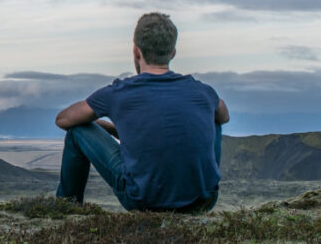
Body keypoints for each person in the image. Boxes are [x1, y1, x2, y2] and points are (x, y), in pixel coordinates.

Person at [54, 12, 229, 213]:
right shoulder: (202, 91)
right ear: (172, 52)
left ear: (136, 51)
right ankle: (199, 188)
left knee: (77, 131)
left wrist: (97, 124)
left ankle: (66, 209)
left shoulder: (119, 92)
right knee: (214, 118)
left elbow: (63, 119)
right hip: (203, 200)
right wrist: (116, 130)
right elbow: (224, 116)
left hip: (142, 200)